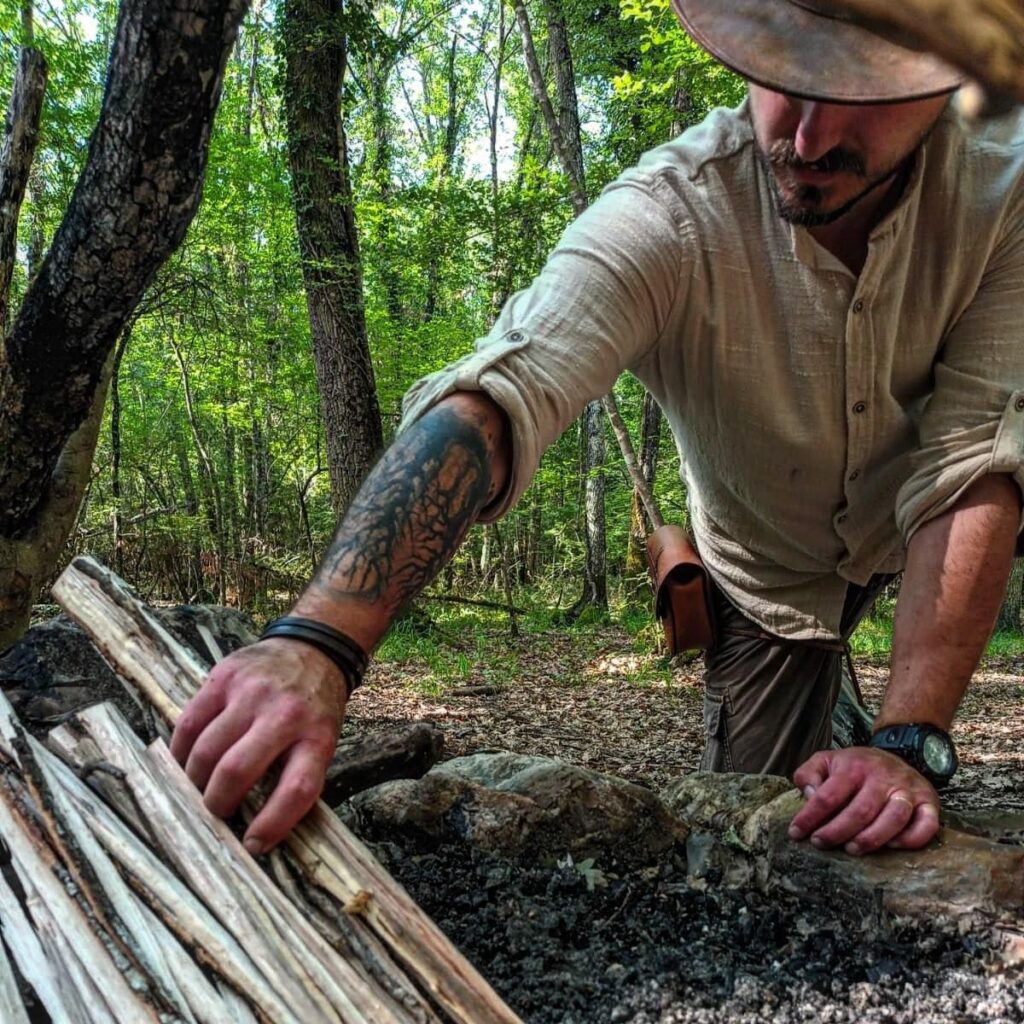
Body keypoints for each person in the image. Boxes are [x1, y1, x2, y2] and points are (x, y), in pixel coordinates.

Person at [170, 0, 1024, 860]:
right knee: (768, 840)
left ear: (950, 74)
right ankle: (821, 697)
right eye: (784, 77)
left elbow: (970, 467)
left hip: (926, 537)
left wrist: (908, 744)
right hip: (766, 577)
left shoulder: (1006, 192)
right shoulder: (673, 212)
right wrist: (317, 643)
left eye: (863, 91)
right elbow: (503, 393)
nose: (805, 138)